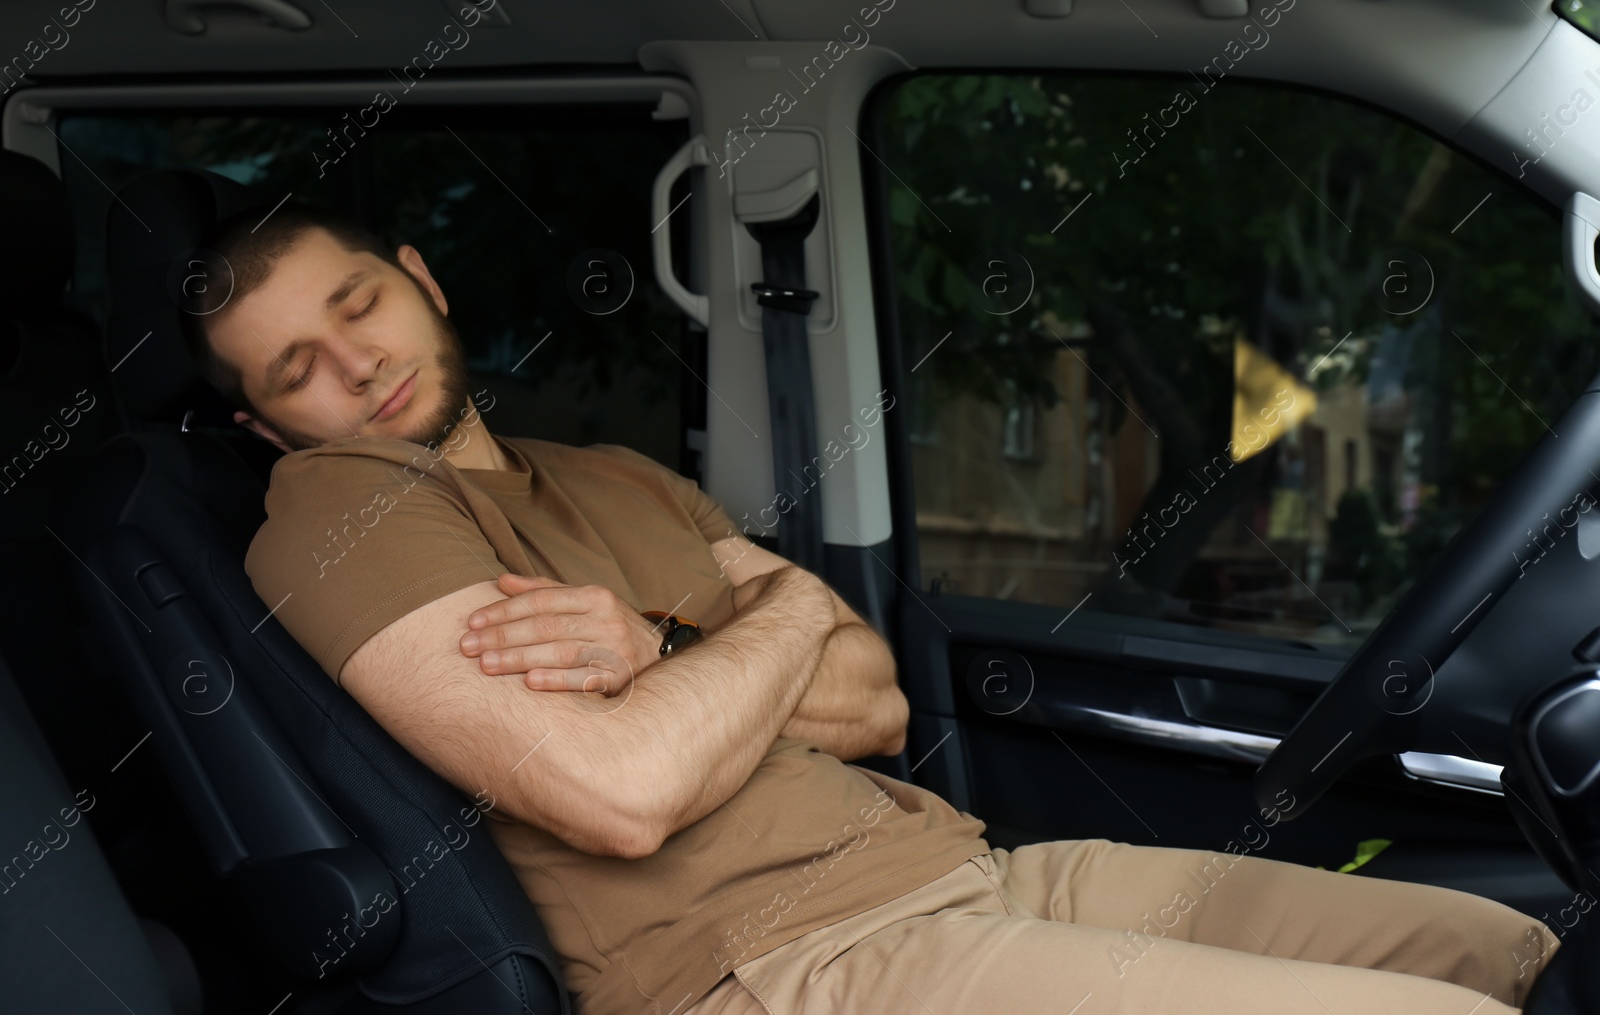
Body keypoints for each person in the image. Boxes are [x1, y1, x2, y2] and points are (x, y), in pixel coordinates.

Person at [178, 199, 1560, 1015]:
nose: (352, 368)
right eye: (295, 367)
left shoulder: (606, 476)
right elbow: (622, 792)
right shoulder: (337, 506)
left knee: (1511, 953)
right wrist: (767, 626)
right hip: (780, 966)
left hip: (968, 870)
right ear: (260, 427)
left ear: (419, 279)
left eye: (358, 304)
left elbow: (877, 701)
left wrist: (664, 651)